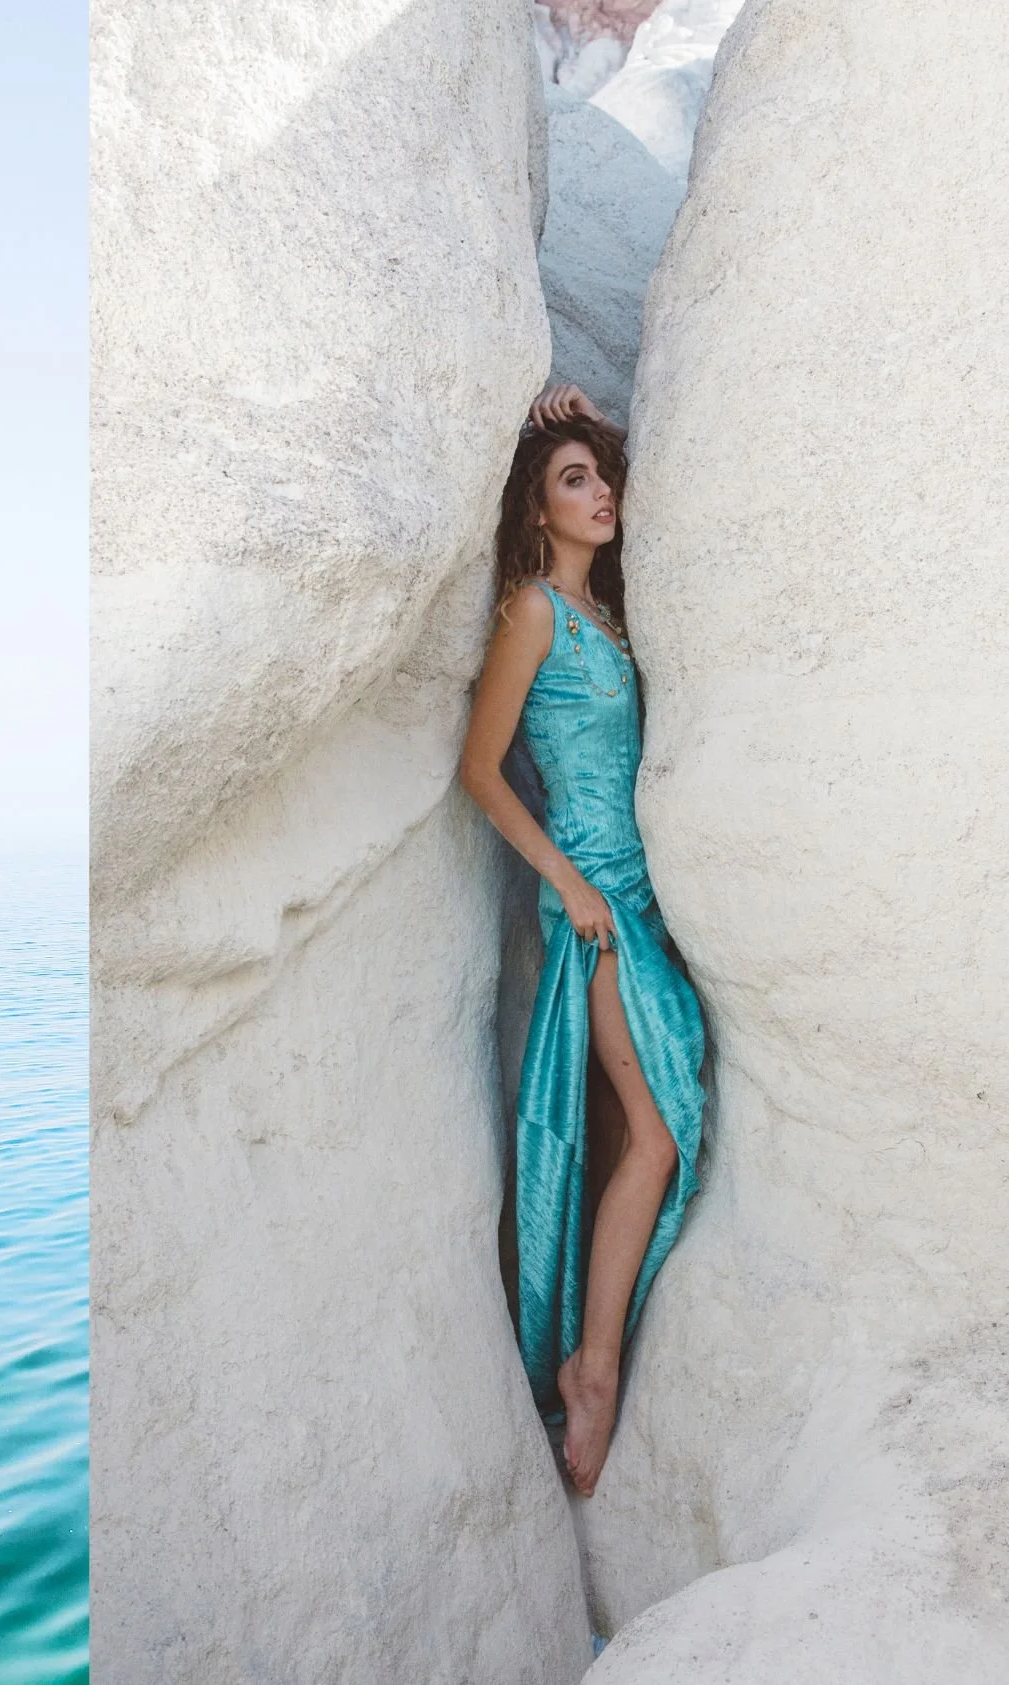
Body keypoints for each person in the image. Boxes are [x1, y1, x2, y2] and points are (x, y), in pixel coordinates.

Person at [459, 382, 706, 1497]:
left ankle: (590, 1345)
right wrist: (564, 878)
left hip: (642, 899)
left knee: (641, 1131)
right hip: (595, 903)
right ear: (534, 509)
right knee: (652, 1137)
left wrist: (590, 417)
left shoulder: (607, 614)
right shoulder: (533, 614)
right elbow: (479, 769)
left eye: (601, 474)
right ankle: (591, 1370)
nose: (600, 491)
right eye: (573, 480)